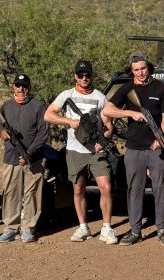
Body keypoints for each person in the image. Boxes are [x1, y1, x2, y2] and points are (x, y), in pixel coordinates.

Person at [102, 52, 164, 247]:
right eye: (136, 70)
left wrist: (161, 137)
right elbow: (107, 110)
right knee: (135, 189)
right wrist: (130, 113)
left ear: (148, 68)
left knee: (162, 188)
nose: (140, 73)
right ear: (131, 71)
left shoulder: (161, 89)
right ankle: (135, 230)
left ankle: (162, 229)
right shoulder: (126, 88)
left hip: (156, 146)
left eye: (143, 68)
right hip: (133, 147)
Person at [44, 61, 118, 244]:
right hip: (75, 150)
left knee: (106, 187)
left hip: (96, 150)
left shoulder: (100, 97)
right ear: (75, 76)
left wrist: (104, 140)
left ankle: (107, 228)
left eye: (87, 75)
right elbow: (48, 114)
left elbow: (108, 126)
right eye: (80, 74)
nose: (84, 78)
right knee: (78, 188)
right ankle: (83, 226)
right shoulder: (66, 95)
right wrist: (69, 122)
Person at [0, 73, 49, 243]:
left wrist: (30, 153)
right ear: (13, 87)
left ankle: (28, 228)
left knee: (32, 192)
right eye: (18, 85)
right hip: (11, 156)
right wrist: (1, 132)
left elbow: (43, 133)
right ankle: (11, 227)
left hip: (35, 158)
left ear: (29, 88)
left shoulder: (39, 106)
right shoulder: (6, 106)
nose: (21, 89)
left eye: (24, 86)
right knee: (11, 191)